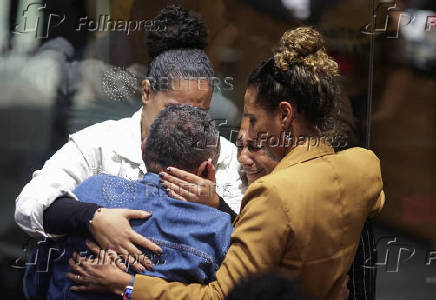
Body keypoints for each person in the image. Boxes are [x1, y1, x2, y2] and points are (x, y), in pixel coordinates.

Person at [66, 27, 385, 300]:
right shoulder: (364, 166)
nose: (244, 130)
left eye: (252, 118)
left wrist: (129, 284)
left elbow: (220, 296)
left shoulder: (273, 194)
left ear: (285, 115)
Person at [15, 5, 244, 265]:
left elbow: (251, 247)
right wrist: (95, 219)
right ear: (146, 92)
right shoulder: (100, 143)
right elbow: (30, 205)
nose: (188, 124)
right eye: (174, 109)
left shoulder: (226, 157)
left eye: (199, 113)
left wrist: (217, 206)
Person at [23, 104, 233, 300]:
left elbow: (39, 273)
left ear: (143, 149)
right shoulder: (218, 230)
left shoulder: (92, 189)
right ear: (206, 169)